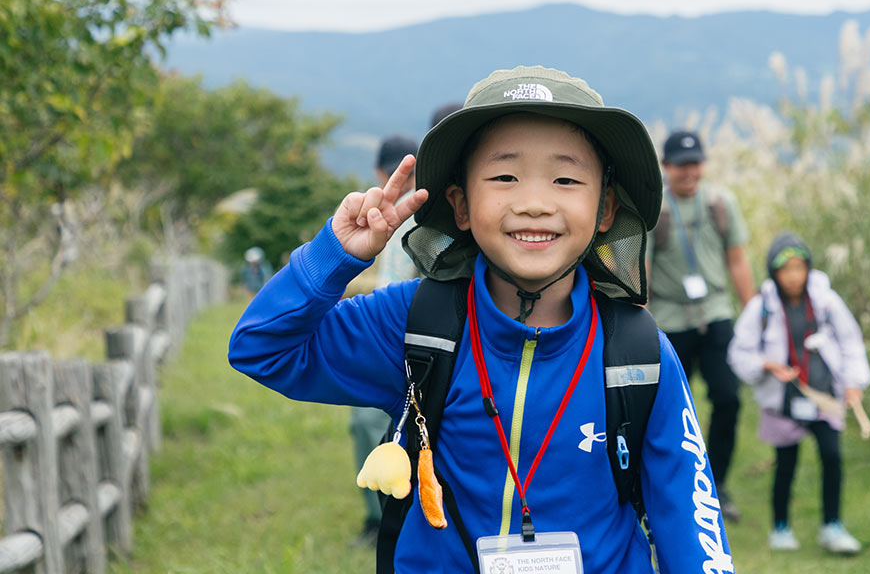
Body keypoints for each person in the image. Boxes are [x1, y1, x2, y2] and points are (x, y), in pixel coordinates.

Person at [228, 66, 734, 574]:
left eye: (566, 179)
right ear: (461, 204)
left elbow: (691, 524)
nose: (535, 203)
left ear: (605, 209)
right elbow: (261, 348)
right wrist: (334, 257)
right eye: (504, 177)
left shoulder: (637, 353)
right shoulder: (414, 324)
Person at [727, 233, 870, 555]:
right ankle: (781, 527)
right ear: (773, 272)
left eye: (799, 267)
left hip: (823, 397)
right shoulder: (761, 306)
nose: (793, 275)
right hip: (784, 401)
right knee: (786, 464)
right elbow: (739, 352)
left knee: (832, 457)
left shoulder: (826, 301)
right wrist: (767, 365)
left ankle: (832, 526)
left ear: (808, 268)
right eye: (785, 269)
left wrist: (853, 383)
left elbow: (851, 341)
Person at [646, 129, 754, 521]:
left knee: (728, 398)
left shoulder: (720, 203)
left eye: (694, 164)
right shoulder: (654, 209)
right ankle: (679, 484)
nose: (688, 172)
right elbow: (642, 268)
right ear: (666, 167)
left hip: (716, 313)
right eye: (680, 165)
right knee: (672, 407)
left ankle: (718, 483)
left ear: (703, 165)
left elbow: (737, 259)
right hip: (670, 320)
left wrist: (753, 313)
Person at [348, 134, 421, 547]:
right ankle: (384, 516)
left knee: (376, 423)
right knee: (374, 423)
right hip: (389, 328)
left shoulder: (425, 213)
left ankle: (388, 518)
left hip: (411, 335)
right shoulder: (382, 213)